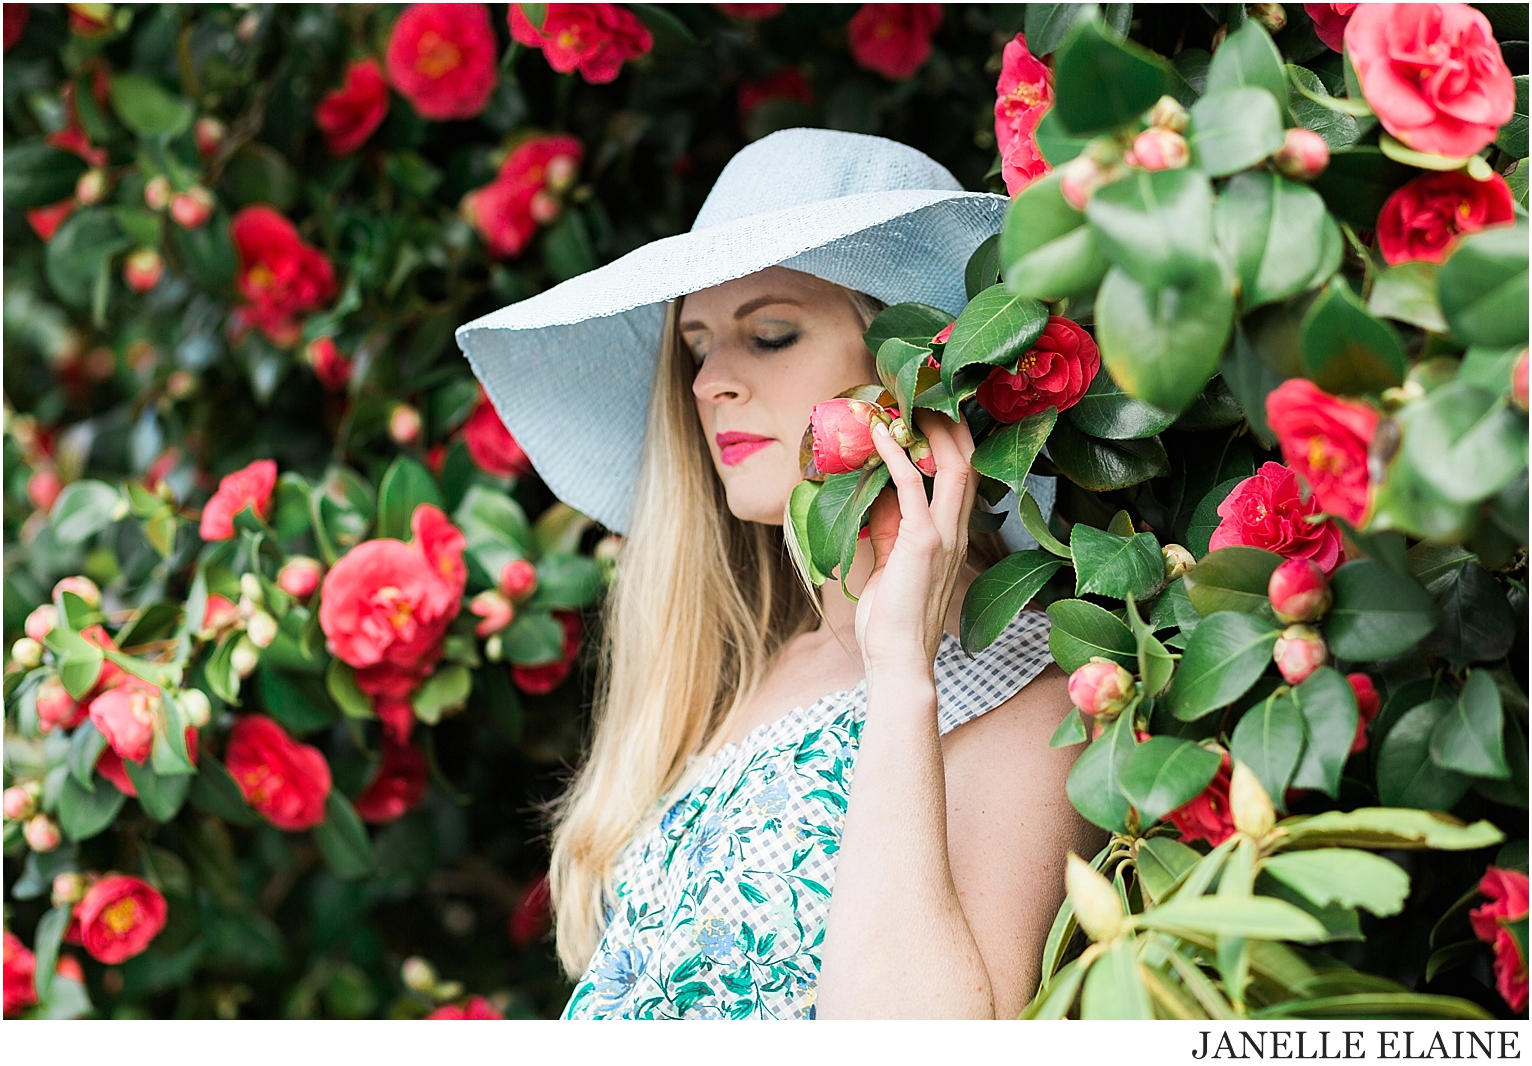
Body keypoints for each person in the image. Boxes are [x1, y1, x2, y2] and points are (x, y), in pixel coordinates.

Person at [456, 128, 1101, 1020]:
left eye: (769, 333)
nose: (708, 382)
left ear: (907, 367)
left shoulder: (1024, 692)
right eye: (696, 346)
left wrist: (903, 676)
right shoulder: (750, 675)